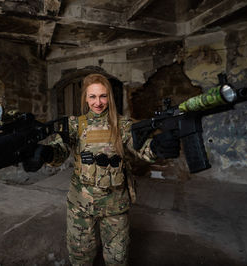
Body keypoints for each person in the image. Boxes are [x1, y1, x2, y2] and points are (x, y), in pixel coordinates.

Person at [23, 73, 180, 265]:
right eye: (92, 97)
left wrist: (156, 147)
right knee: (81, 257)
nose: (98, 102)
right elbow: (60, 151)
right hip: (81, 203)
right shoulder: (74, 125)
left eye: (103, 96)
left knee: (117, 258)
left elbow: (142, 149)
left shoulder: (122, 125)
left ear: (110, 97)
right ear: (85, 98)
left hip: (115, 203)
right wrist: (46, 153)